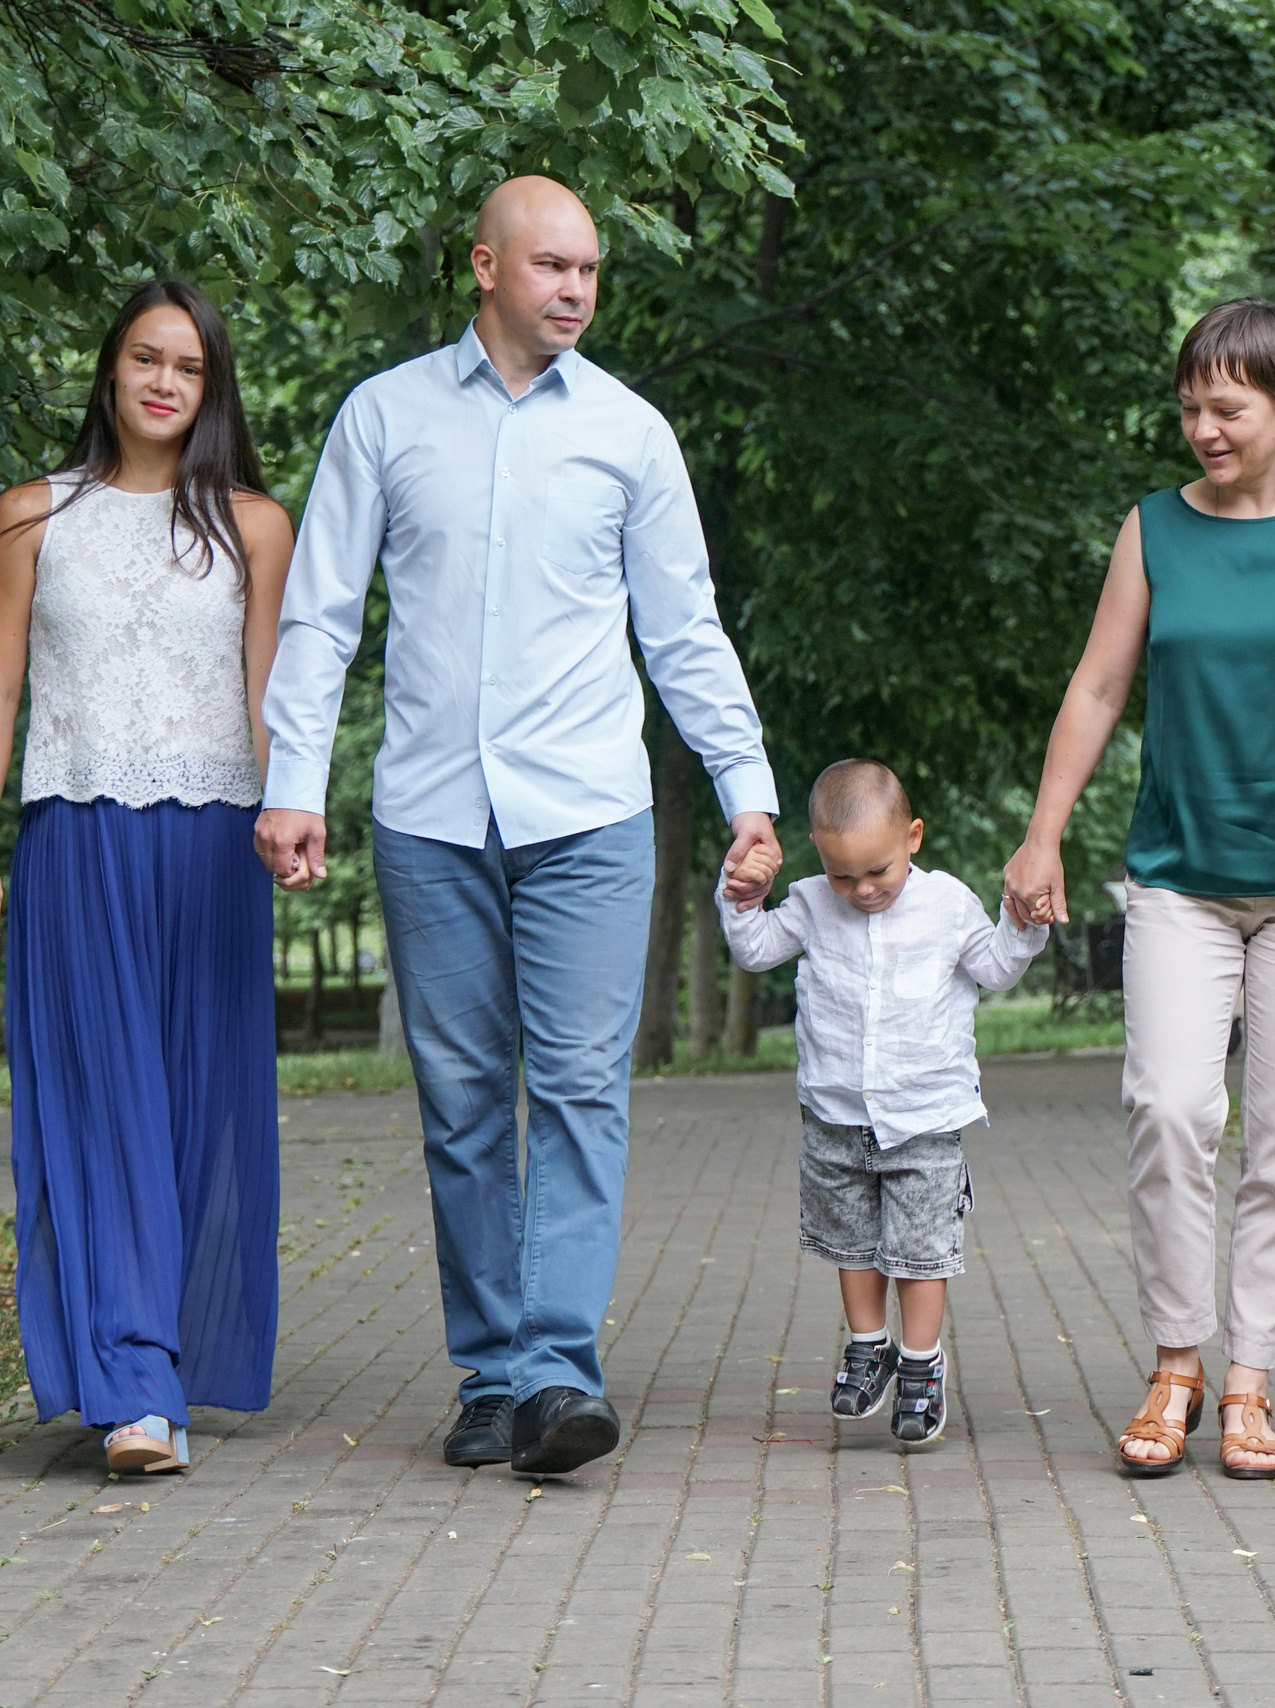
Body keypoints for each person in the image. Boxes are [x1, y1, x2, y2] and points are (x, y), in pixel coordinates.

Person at [254, 176, 782, 1479]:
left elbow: (685, 628)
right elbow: (323, 615)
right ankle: (490, 1374)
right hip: (432, 817)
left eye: (590, 270)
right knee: (465, 1106)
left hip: (589, 817)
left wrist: (747, 787)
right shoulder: (383, 416)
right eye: (551, 264)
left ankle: (553, 1371)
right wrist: (293, 780)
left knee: (585, 1091)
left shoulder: (631, 433)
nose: (575, 289)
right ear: (483, 265)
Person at [1004, 298, 1275, 1480]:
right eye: (1188, 407)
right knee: (1171, 1108)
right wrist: (1043, 835)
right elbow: (1095, 689)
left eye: (1225, 407)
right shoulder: (1154, 531)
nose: (1201, 429)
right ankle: (1175, 1358)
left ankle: (1249, 1381)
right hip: (1180, 876)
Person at [0, 279, 295, 1475]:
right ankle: (135, 1385)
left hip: (214, 845)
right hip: (75, 839)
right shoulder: (30, 517)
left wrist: (294, 813)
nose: (162, 381)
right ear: (108, 372)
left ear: (211, 388)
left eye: (187, 367)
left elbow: (266, 699)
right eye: (144, 358)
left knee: (195, 1106)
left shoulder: (255, 524)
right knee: (101, 1105)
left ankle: (162, 1356)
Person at [718, 759, 1046, 1446]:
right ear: (817, 853)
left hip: (923, 1120)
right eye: (844, 875)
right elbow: (753, 952)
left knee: (920, 1254)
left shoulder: (948, 903)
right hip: (834, 1116)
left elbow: (993, 967)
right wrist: (742, 896)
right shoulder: (810, 903)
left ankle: (921, 1366)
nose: (862, 889)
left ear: (914, 838)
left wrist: (1022, 924)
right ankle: (869, 1346)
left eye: (879, 871)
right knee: (852, 1245)